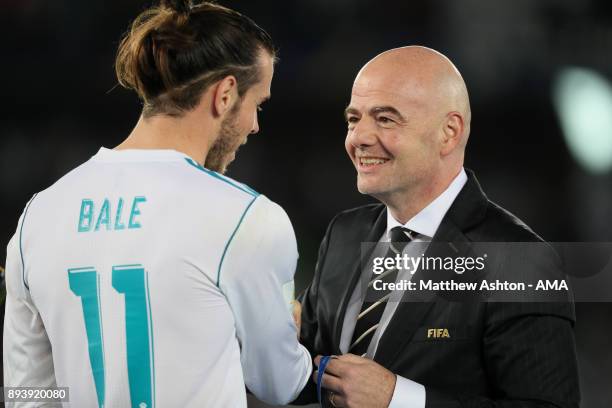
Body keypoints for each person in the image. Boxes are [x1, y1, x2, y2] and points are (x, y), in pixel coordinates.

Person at [3, 1, 312, 406]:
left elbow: (28, 395)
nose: (255, 125)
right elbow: (281, 385)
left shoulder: (38, 216)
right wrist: (290, 338)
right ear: (225, 94)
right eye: (258, 104)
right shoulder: (248, 218)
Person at [295, 46, 580, 407]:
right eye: (353, 119)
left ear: (449, 132)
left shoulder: (520, 259)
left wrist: (398, 399)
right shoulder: (344, 234)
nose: (358, 138)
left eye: (385, 119)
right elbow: (305, 373)